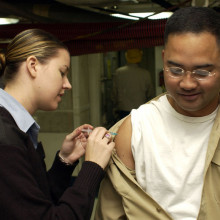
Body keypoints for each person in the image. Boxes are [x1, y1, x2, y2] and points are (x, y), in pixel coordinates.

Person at [95, 6, 220, 220]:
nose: (187, 83)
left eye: (202, 72)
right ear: (163, 59)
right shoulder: (135, 130)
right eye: (175, 70)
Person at [0, 28, 115, 220]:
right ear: (33, 65)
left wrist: (65, 161)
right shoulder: (5, 138)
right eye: (62, 73)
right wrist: (93, 166)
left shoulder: (15, 127)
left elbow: (35, 203)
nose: (67, 84)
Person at [112, 48, 154, 120]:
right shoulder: (145, 74)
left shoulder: (119, 72)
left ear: (127, 57)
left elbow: (114, 94)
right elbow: (150, 94)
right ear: (140, 57)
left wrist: (115, 107)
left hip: (123, 110)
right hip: (140, 110)